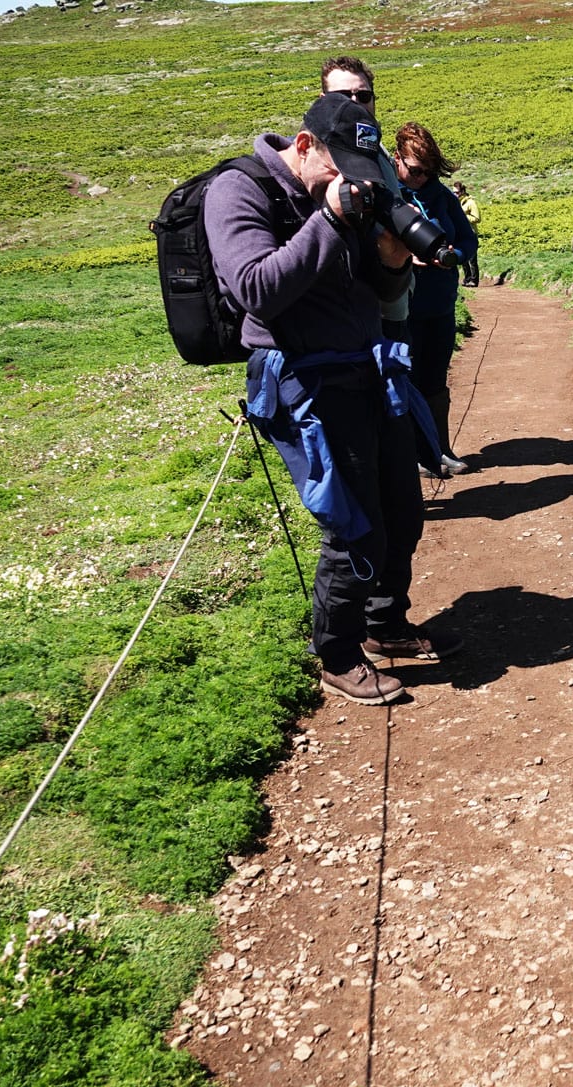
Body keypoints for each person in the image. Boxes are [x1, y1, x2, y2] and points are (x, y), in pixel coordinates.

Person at [205, 93, 462, 706]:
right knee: (353, 525)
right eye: (341, 167)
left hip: (368, 367)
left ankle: (383, 627)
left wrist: (396, 258)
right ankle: (338, 654)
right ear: (303, 146)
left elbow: (377, 288)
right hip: (303, 380)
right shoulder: (238, 192)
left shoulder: (353, 192)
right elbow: (256, 289)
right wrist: (329, 221)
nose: (354, 183)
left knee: (403, 508)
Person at [395, 122, 478, 477]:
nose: (420, 178)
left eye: (427, 172)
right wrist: (404, 256)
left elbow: (467, 240)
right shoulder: (387, 195)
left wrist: (452, 256)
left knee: (435, 376)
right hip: (401, 307)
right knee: (406, 378)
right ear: (396, 158)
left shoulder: (441, 196)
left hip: (440, 303)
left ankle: (439, 449)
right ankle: (412, 454)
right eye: (414, 170)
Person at [319, 56, 411, 343]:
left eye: (363, 95)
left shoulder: (378, 151)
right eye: (342, 96)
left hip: (394, 304)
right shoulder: (319, 158)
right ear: (323, 101)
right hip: (348, 316)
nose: (355, 102)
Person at [453, 181, 481, 288]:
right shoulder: (457, 203)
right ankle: (467, 278)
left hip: (471, 234)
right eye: (454, 192)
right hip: (460, 234)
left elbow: (477, 218)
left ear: (463, 191)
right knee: (463, 258)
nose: (455, 194)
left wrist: (463, 217)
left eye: (457, 192)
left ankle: (474, 280)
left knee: (472, 259)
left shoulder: (471, 203)